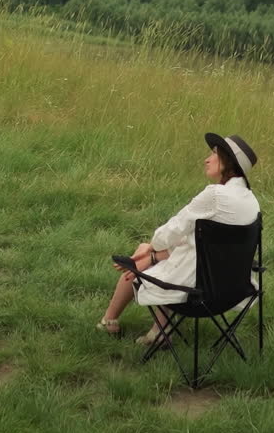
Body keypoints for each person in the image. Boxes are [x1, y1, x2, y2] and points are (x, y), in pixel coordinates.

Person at [97, 133, 259, 341]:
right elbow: (197, 243)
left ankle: (109, 321)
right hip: (233, 287)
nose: (206, 159)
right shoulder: (250, 200)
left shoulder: (215, 195)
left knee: (140, 261)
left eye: (213, 154)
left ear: (228, 161)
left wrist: (151, 247)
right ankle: (158, 332)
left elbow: (174, 228)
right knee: (152, 256)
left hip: (199, 291)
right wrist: (153, 253)